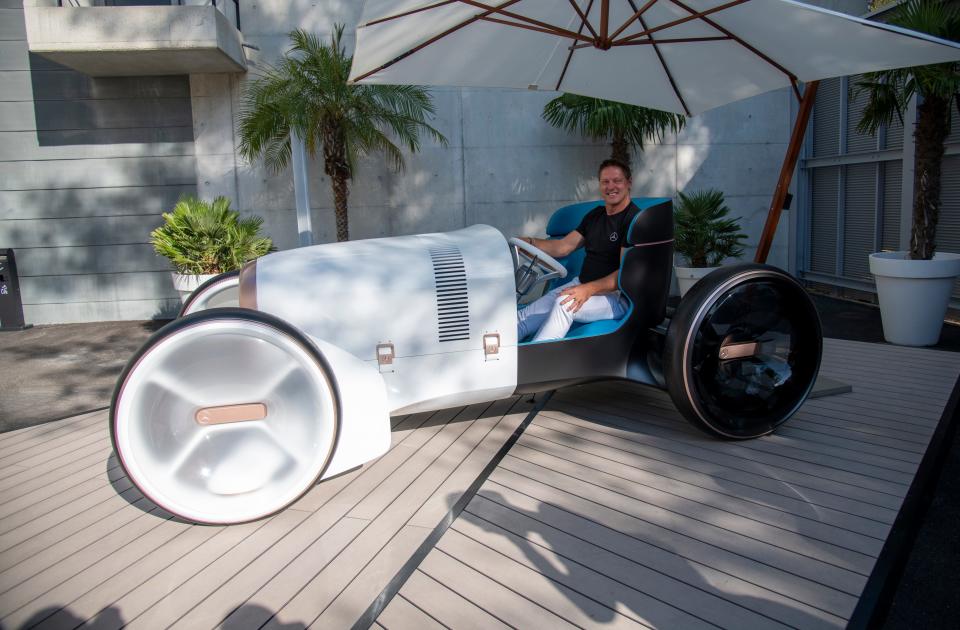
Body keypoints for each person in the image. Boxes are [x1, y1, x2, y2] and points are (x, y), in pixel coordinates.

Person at [517, 158, 641, 342]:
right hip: (581, 284)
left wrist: (587, 289)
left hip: (615, 297)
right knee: (523, 318)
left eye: (617, 180)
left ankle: (537, 365)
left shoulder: (633, 220)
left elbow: (625, 274)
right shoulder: (595, 215)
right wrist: (527, 242)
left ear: (629, 183)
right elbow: (563, 247)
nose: (611, 186)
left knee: (564, 304)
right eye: (605, 182)